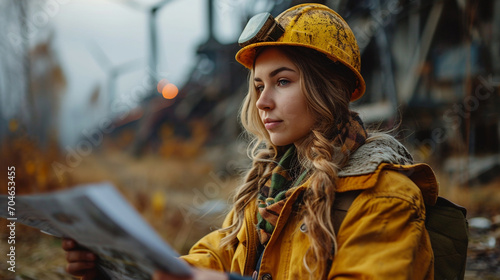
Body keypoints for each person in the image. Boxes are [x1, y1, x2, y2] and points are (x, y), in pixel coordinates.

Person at [63, 3, 439, 280]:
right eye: (258, 86)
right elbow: (215, 257)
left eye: (283, 81)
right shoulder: (271, 187)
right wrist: (124, 269)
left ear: (331, 89)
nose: (262, 101)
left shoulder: (385, 194)